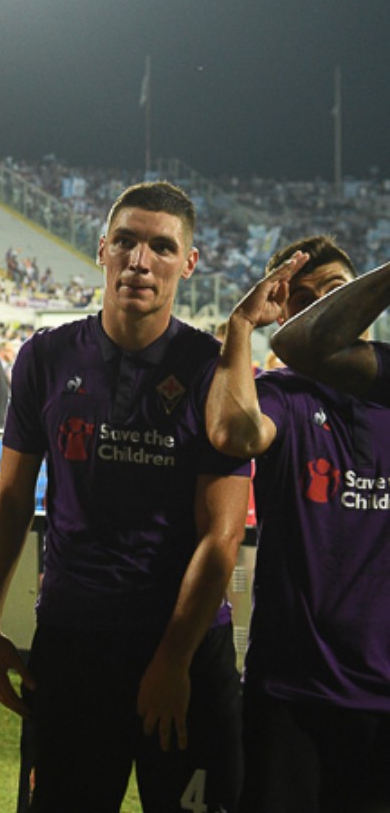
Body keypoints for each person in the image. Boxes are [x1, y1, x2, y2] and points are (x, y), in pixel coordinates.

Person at [0, 182, 249, 813]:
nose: (139, 260)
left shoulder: (211, 368)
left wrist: (173, 661)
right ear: (101, 249)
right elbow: (12, 497)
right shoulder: (46, 356)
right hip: (74, 644)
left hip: (185, 647)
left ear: (189, 262)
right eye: (125, 241)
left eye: (160, 246)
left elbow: (222, 534)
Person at [205, 236, 390, 813]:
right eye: (301, 298)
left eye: (333, 292)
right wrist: (240, 326)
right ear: (282, 312)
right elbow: (235, 435)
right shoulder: (282, 396)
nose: (317, 308)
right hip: (290, 689)